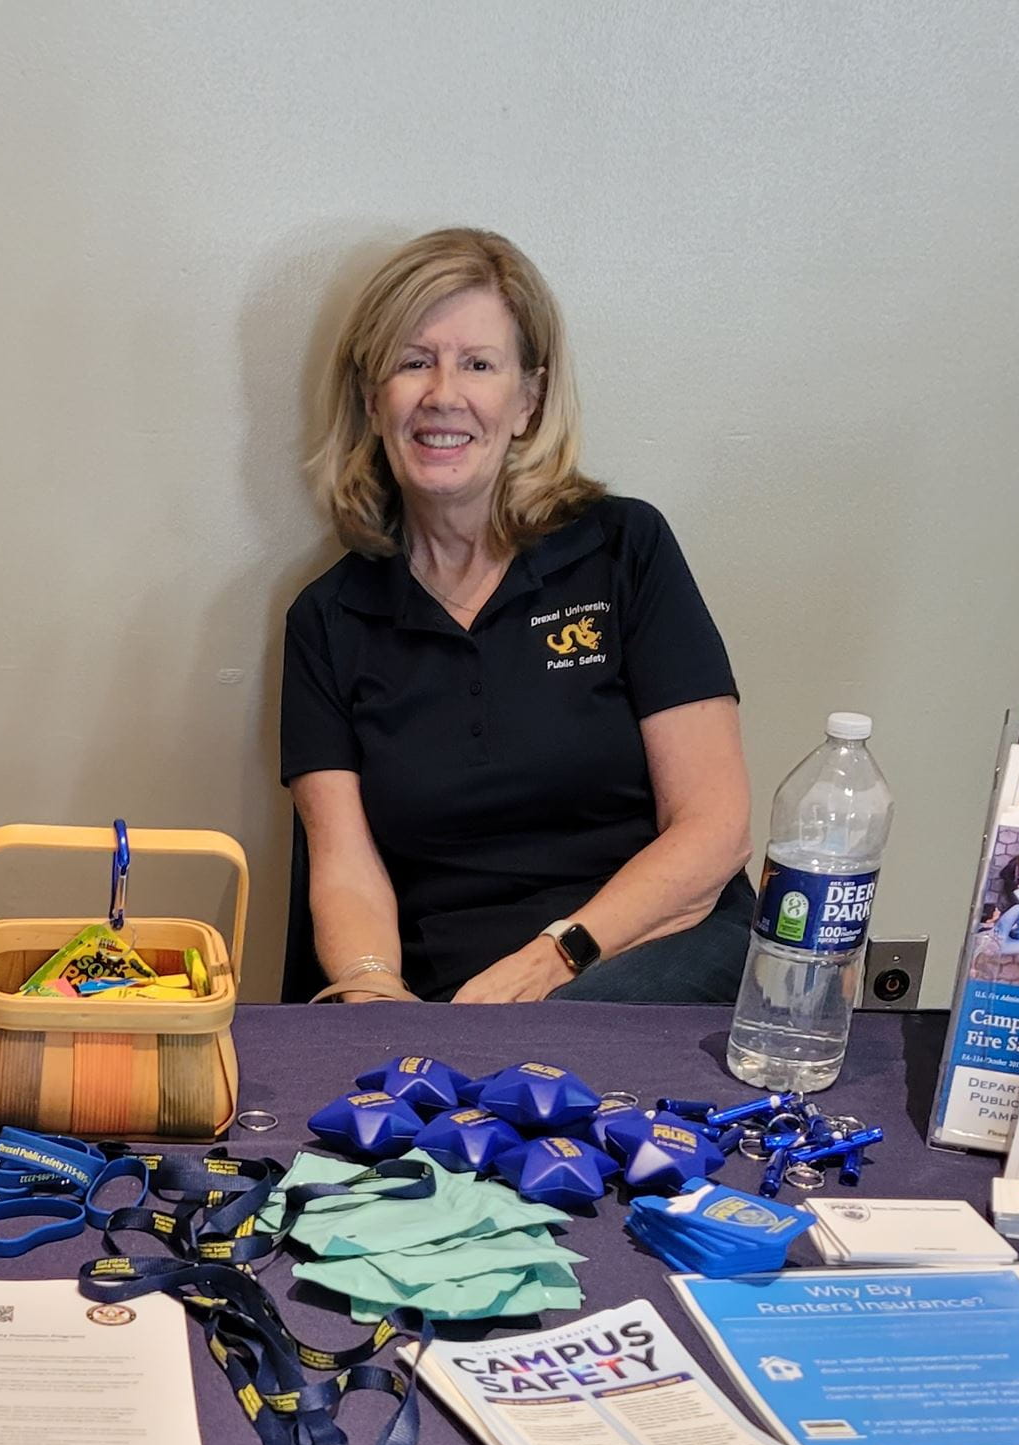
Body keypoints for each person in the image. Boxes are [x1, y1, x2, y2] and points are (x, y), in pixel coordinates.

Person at [281, 228, 755, 1003]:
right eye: (412, 361)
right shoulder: (326, 619)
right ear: (372, 400)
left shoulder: (625, 549)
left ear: (528, 401)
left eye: (477, 364)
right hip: (448, 998)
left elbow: (715, 829)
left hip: (647, 959)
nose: (443, 394)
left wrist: (548, 964)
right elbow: (344, 867)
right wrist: (372, 996)